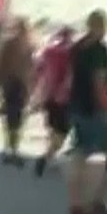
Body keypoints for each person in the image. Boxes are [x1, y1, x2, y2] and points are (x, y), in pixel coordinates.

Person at [64, 9, 107, 214]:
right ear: (100, 26)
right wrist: (105, 108)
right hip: (94, 109)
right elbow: (99, 81)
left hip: (77, 106)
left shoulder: (77, 48)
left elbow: (72, 78)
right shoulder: (100, 50)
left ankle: (76, 206)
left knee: (79, 154)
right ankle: (97, 203)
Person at [33, 25, 75, 177]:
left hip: (48, 96)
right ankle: (46, 157)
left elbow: (38, 70)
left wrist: (38, 93)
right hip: (63, 97)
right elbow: (71, 76)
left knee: (53, 129)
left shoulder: (47, 51)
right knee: (62, 132)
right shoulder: (70, 52)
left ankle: (51, 158)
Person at [0, 17, 35, 165]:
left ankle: (10, 149)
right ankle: (12, 149)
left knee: (13, 117)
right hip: (15, 82)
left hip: (12, 82)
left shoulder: (11, 42)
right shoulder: (26, 43)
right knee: (15, 117)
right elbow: (30, 66)